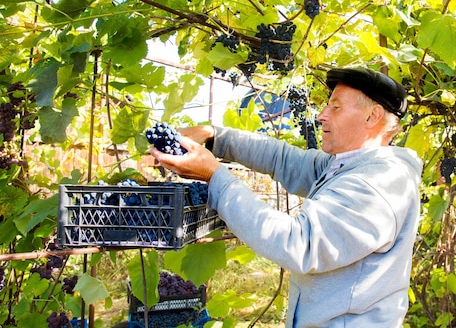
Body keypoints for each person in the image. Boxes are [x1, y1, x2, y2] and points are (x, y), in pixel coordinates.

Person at [149, 67, 423, 328]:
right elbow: (283, 159)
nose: (322, 115)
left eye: (336, 107)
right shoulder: (347, 165)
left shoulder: (376, 184)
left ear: (372, 117)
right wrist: (215, 136)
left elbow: (298, 244)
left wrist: (214, 176)